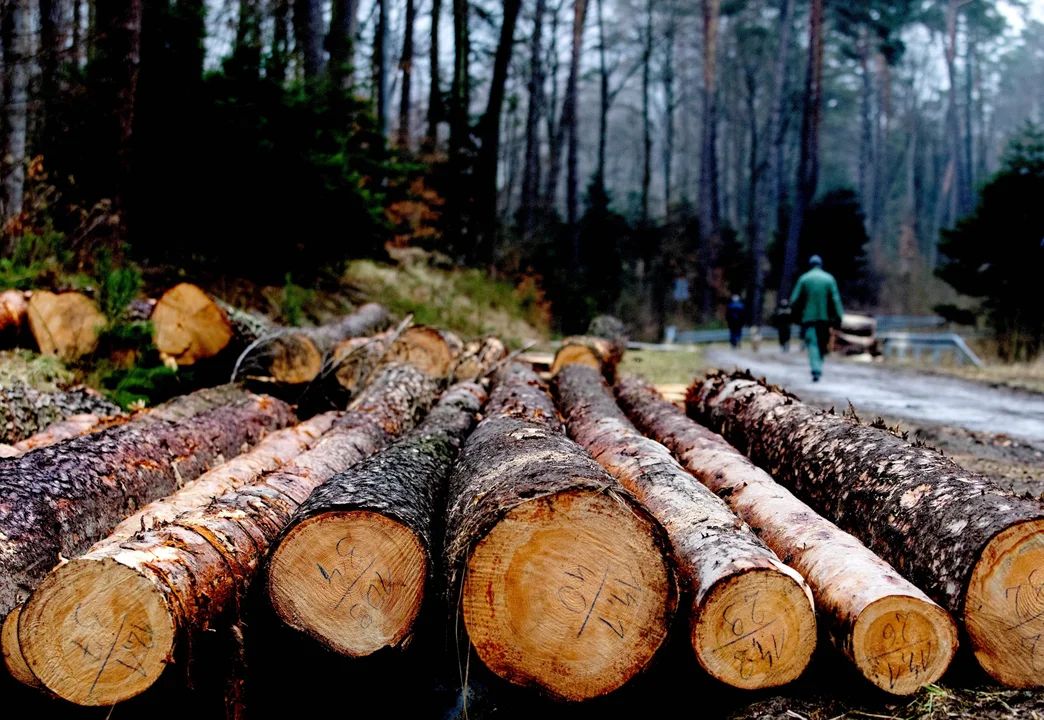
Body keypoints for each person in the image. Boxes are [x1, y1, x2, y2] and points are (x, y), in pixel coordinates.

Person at [789, 255, 844, 382]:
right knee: (822, 343)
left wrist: (796, 314)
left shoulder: (804, 279)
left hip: (809, 318)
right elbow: (835, 300)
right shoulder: (829, 279)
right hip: (825, 319)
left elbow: (794, 301)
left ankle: (816, 370)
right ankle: (818, 367)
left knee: (812, 343)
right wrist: (839, 317)